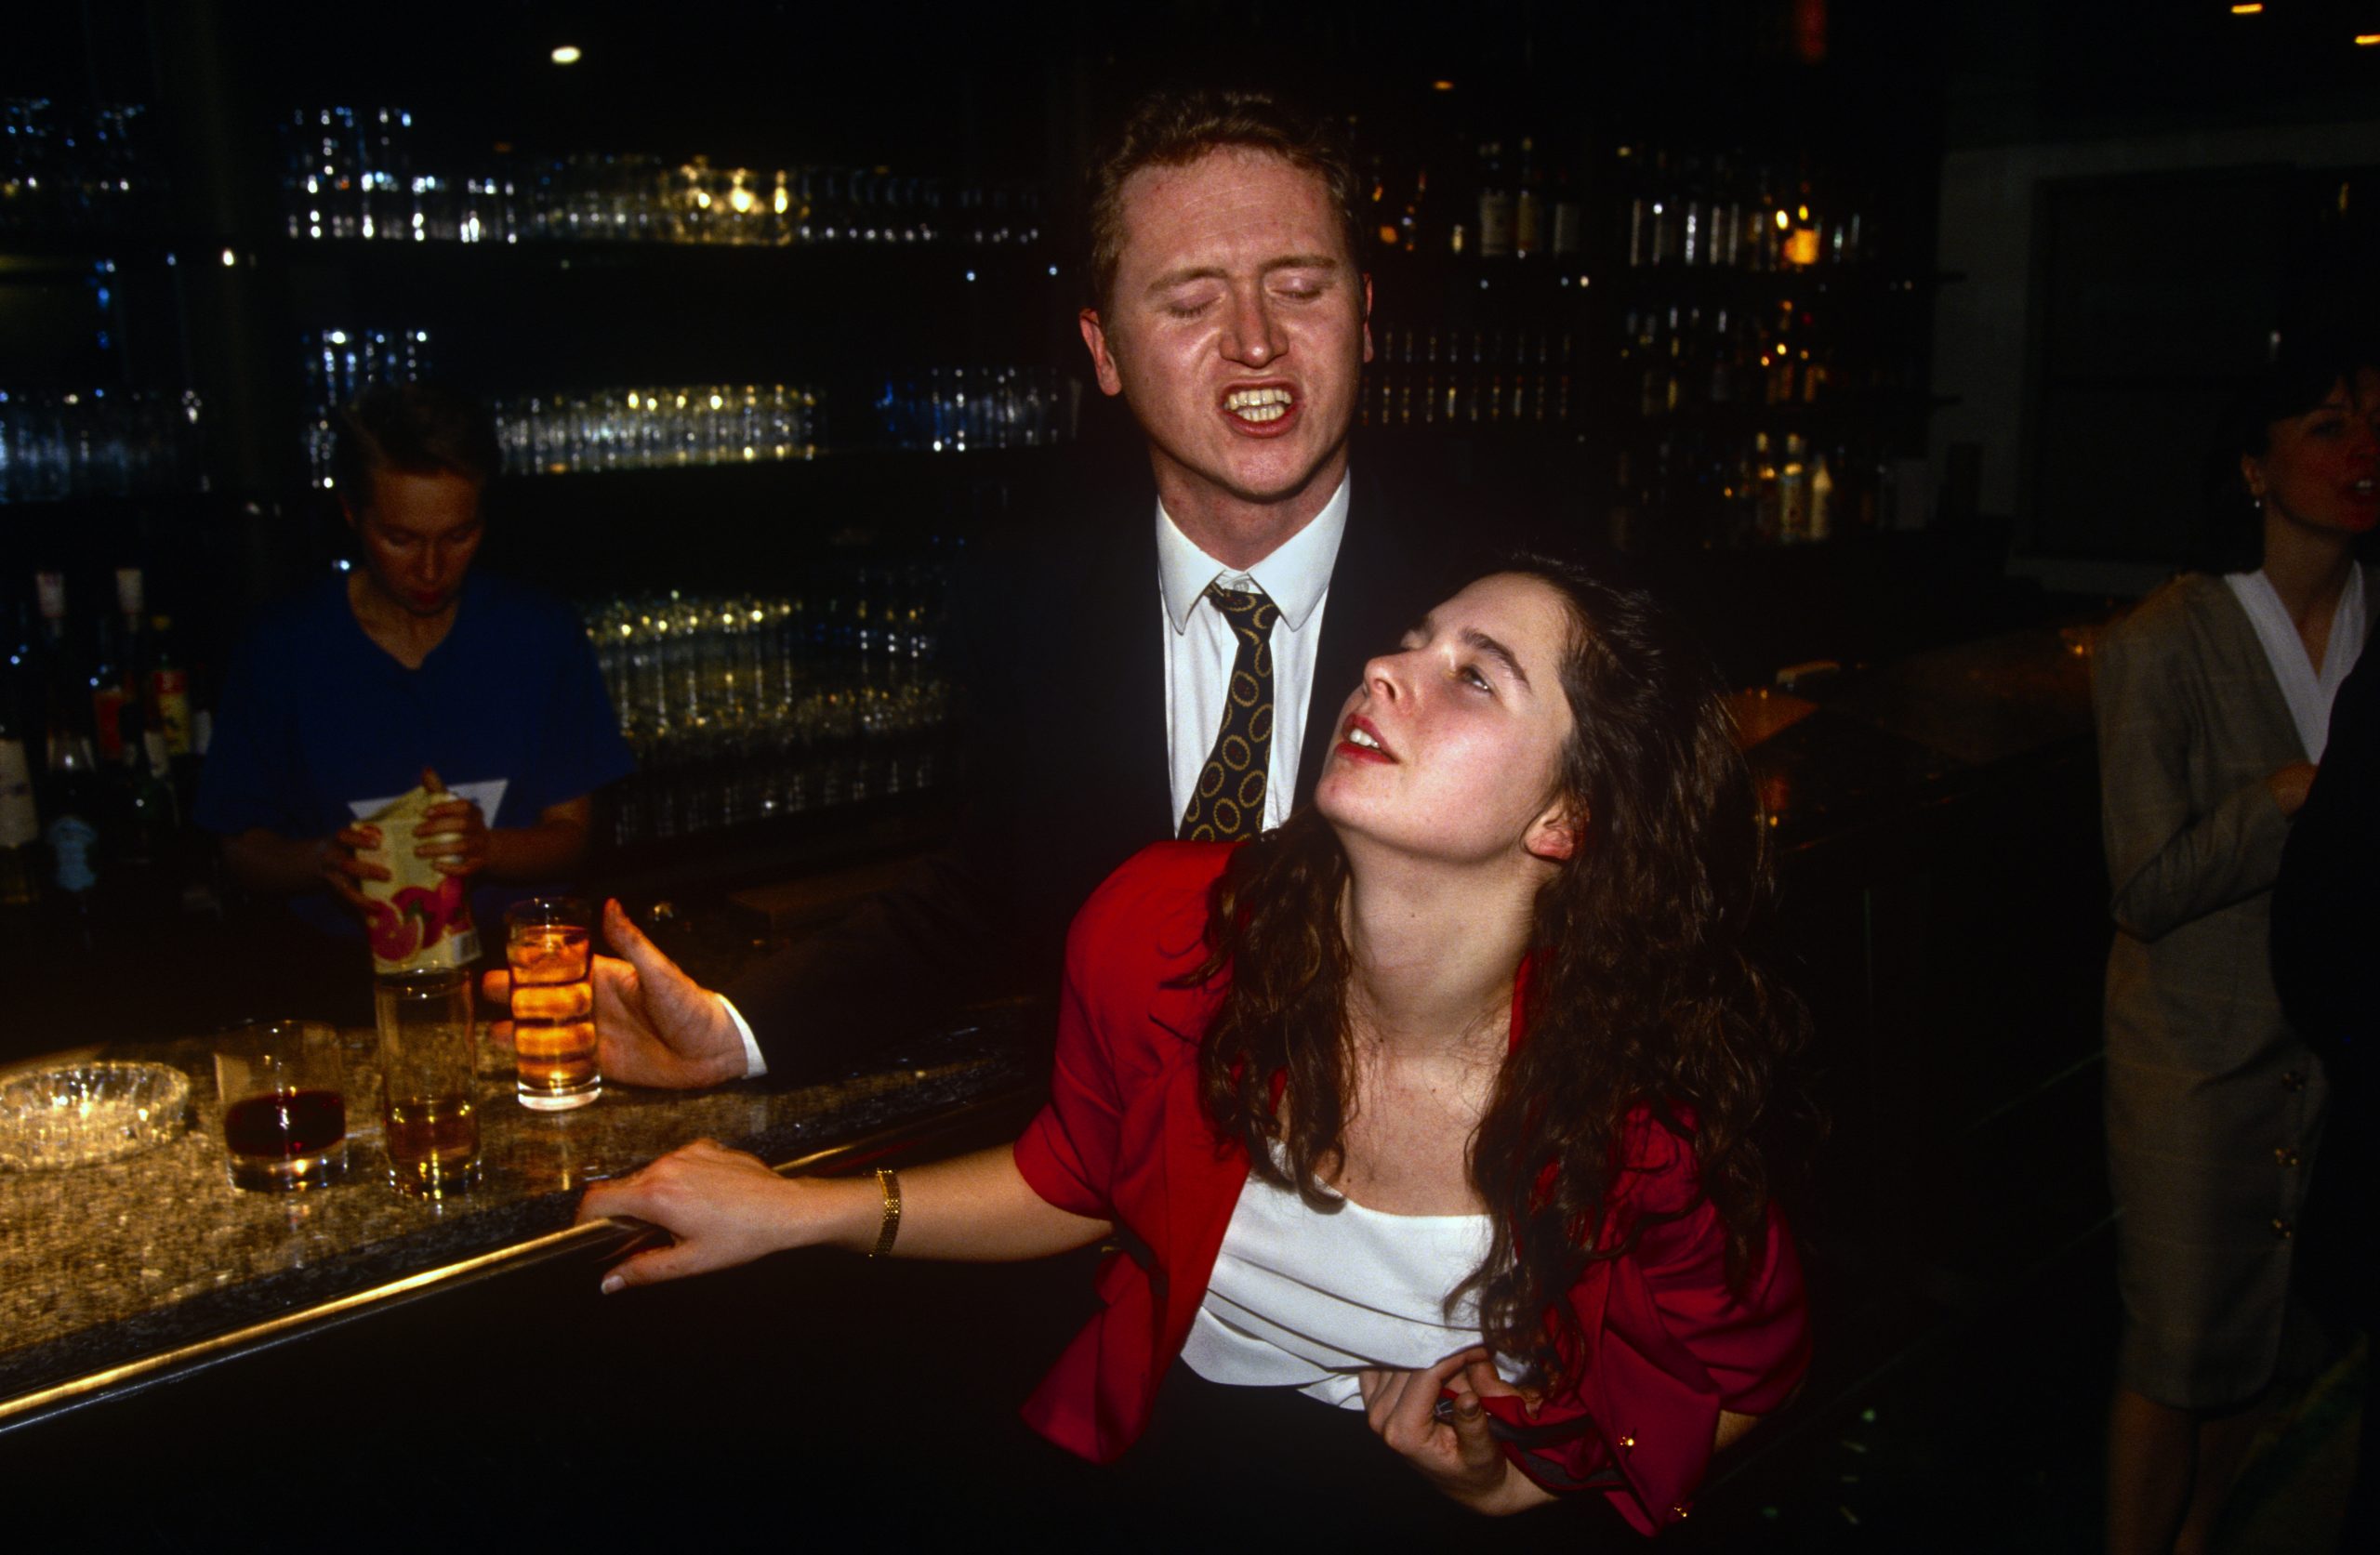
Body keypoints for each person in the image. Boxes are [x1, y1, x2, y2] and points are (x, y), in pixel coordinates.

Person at [575, 560, 1810, 1535]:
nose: (1384, 668)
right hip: (1179, 1456)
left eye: (1475, 677)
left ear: (1565, 817)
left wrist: (1508, 1486)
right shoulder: (1170, 926)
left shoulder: (1631, 1098)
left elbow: (1752, 1375)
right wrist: (798, 1210)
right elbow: (1079, 1173)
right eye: (1410, 640)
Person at [481, 87, 1461, 1088]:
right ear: (1104, 352)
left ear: (1364, 316)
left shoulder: (1496, 613)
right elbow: (987, 895)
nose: (1255, 341)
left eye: (1298, 287)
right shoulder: (1033, 599)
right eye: (1190, 301)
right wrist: (734, 1029)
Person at [2095, 346, 2378, 1555]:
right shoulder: (2165, 638)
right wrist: (2286, 798)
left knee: (2270, 1343)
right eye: (2326, 425)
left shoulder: (2376, 622)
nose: (2362, 451)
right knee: (2177, 1353)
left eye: (2375, 426)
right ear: (2254, 466)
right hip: (2197, 1061)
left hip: (2339, 1052)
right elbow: (2146, 886)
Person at [194, 382, 633, 953]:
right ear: (351, 513)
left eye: (458, 536)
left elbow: (573, 835)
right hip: (339, 969)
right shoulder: (283, 647)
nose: (431, 569)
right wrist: (322, 859)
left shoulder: (537, 632)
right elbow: (241, 849)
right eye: (400, 539)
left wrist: (488, 847)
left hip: (519, 959)